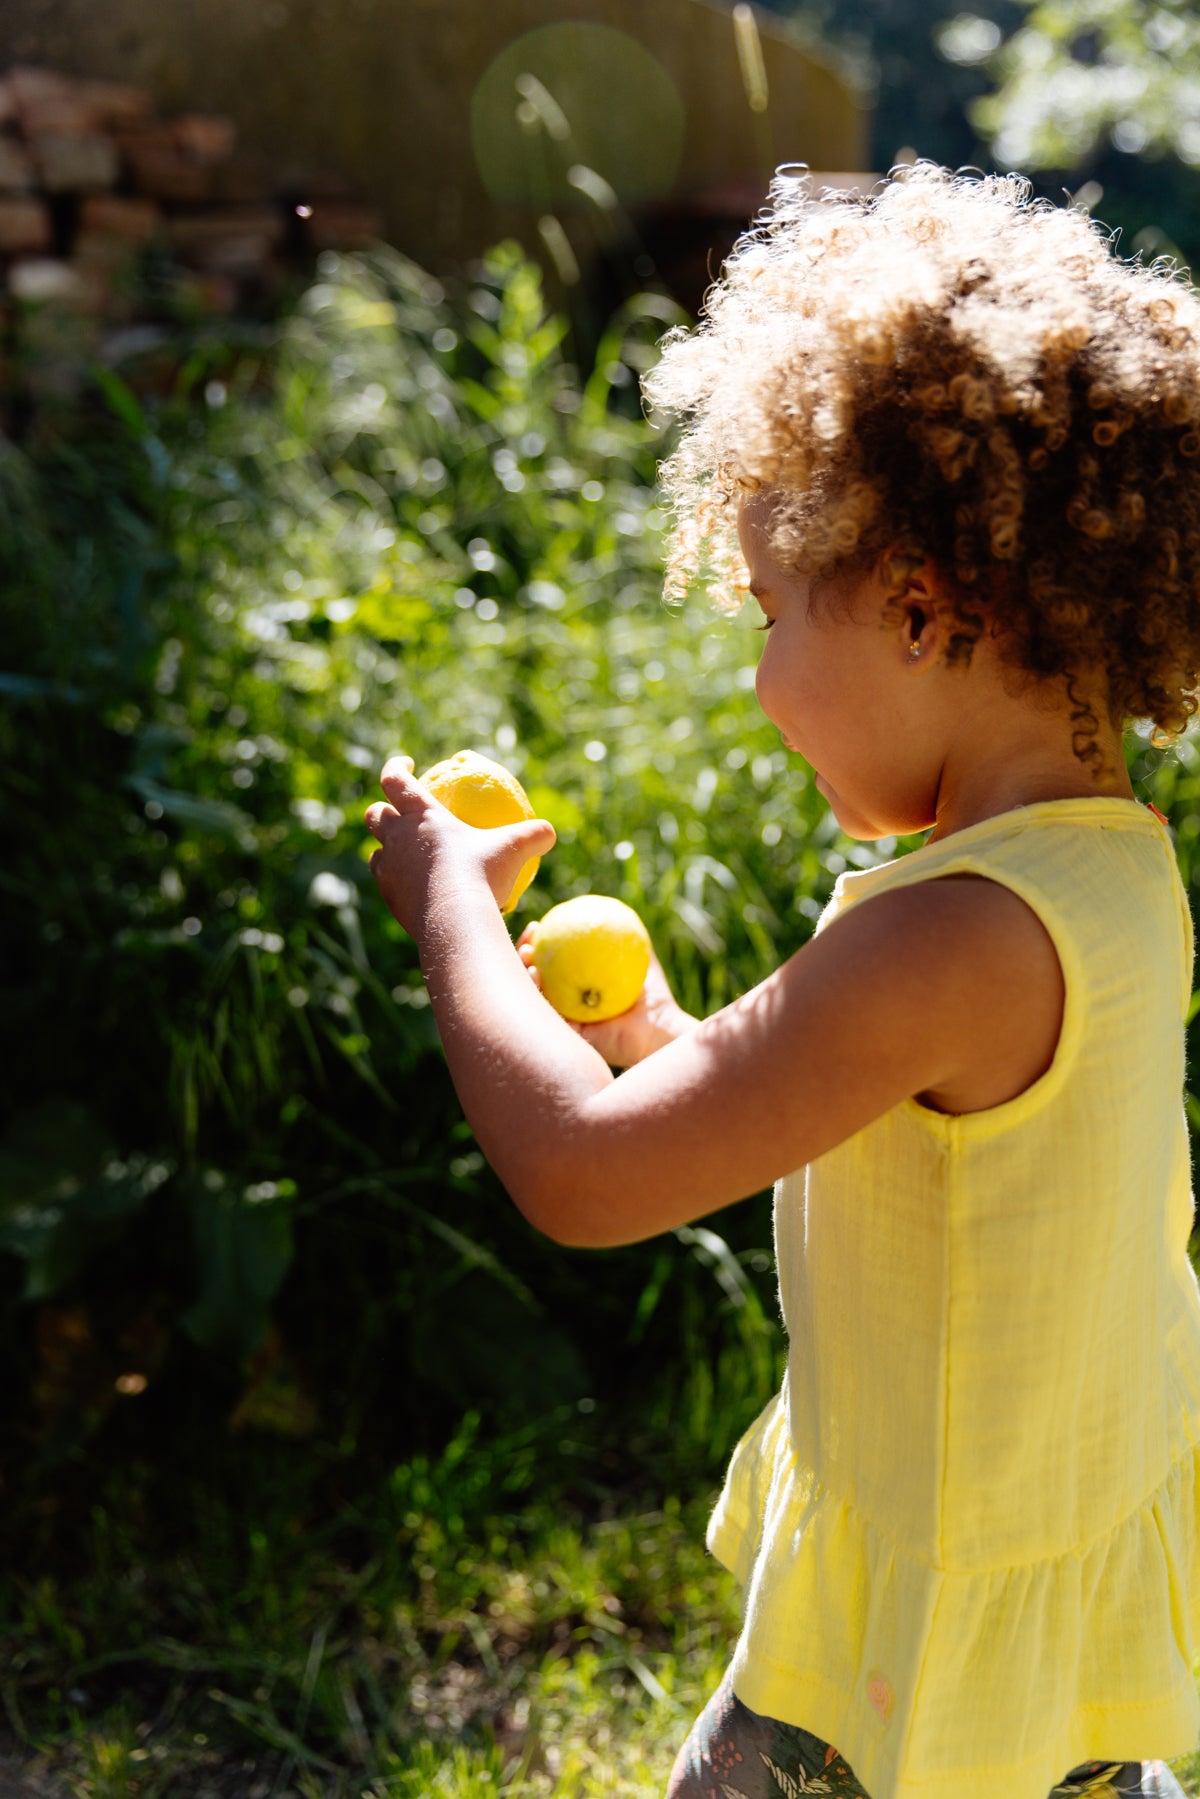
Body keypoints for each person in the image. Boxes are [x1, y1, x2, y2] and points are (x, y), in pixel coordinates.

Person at [364, 165, 1200, 1799]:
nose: (753, 682)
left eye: (765, 612)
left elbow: (591, 1180)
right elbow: (895, 1146)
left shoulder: (941, 936)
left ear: (919, 605)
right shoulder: (1111, 871)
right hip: (1048, 1598)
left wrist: (447, 920)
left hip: (913, 1675)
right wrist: (645, 1035)